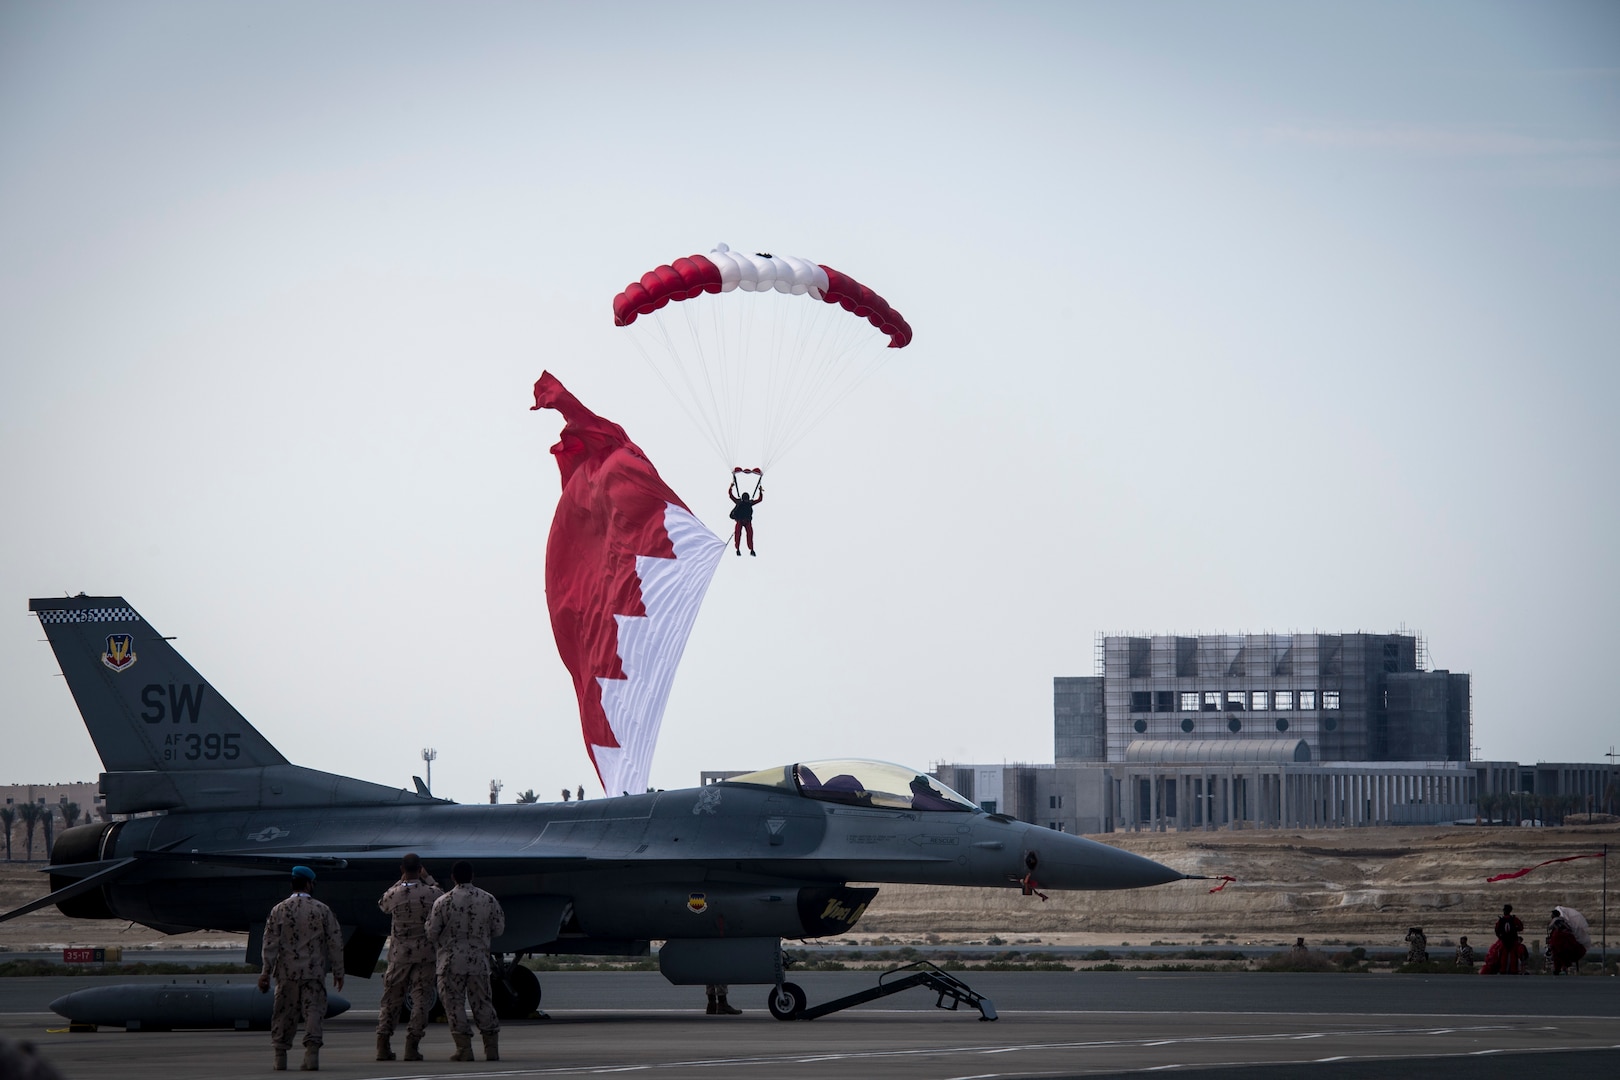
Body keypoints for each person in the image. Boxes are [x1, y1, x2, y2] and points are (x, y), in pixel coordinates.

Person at [257, 866, 344, 1072]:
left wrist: (265, 972)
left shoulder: (279, 909)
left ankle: (280, 1057)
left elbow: (269, 943)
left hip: (287, 973)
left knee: (283, 1013)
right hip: (313, 972)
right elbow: (335, 942)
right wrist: (339, 972)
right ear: (308, 884)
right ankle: (311, 1054)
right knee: (314, 1011)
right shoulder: (322, 909)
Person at [427, 859, 506, 1062]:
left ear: (453, 877)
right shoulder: (488, 899)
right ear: (472, 876)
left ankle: (464, 1049)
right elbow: (498, 929)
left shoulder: (443, 901)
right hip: (479, 962)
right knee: (483, 1003)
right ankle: (491, 1049)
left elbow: (431, 932)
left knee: (454, 1005)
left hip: (451, 963)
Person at [375, 854, 443, 1062]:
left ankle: (383, 1046)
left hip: (399, 956)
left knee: (391, 1001)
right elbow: (443, 898)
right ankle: (412, 1047)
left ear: (402, 869)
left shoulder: (395, 893)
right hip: (425, 955)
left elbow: (382, 903)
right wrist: (428, 878)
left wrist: (401, 880)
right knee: (421, 1001)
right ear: (420, 868)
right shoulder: (431, 893)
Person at [1483, 903, 1526, 974]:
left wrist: (1500, 937)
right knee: (1513, 956)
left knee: (1503, 956)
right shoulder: (1514, 919)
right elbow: (1521, 927)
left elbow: (1496, 930)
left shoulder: (1501, 920)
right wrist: (1515, 930)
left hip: (1504, 941)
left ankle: (1503, 970)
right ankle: (1513, 970)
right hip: (1513, 940)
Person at [727, 481, 763, 556]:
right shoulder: (740, 502)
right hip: (740, 521)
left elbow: (759, 499)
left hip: (746, 521)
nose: (746, 500)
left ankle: (751, 549)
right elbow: (731, 496)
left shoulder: (749, 502)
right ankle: (738, 549)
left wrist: (760, 491)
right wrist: (731, 487)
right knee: (738, 534)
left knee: (750, 535)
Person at [1547, 908, 1587, 975]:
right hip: (1567, 939)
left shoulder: (1556, 920)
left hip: (1559, 939)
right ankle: (1563, 967)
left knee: (1557, 954)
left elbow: (1550, 927)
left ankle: (1558, 969)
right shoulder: (1564, 921)